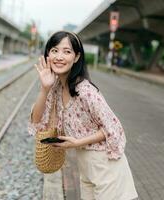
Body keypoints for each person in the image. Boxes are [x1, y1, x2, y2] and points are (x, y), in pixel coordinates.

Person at [28, 31, 138, 200]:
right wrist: (44, 88)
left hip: (106, 166)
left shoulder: (85, 91)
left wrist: (78, 142)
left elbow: (113, 128)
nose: (59, 56)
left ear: (77, 57)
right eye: (55, 50)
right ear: (47, 54)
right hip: (86, 167)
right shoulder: (56, 87)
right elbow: (37, 120)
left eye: (67, 51)